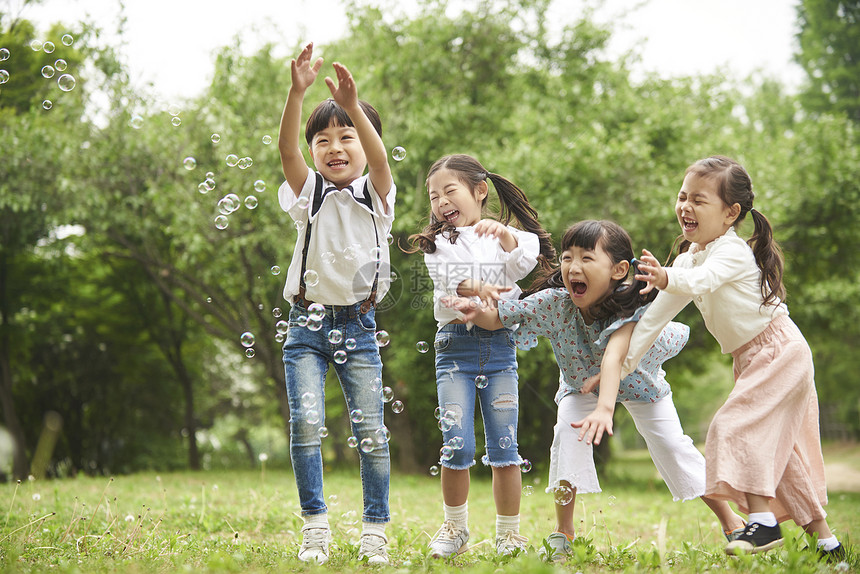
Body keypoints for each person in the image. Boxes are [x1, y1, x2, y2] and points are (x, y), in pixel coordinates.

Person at [451, 220, 745, 562]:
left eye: (587, 258)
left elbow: (614, 359)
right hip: (580, 385)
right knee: (566, 432)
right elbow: (501, 316)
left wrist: (605, 408)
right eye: (567, 257)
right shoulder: (556, 305)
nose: (573, 267)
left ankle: (731, 521)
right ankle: (563, 531)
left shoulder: (635, 305)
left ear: (619, 269)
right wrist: (476, 312)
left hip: (640, 383)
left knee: (671, 445)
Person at [623, 156, 844, 560]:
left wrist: (665, 276)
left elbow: (701, 281)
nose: (685, 206)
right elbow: (655, 317)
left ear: (731, 213)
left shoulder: (732, 252)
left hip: (779, 350)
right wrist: (621, 367)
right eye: (682, 196)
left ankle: (761, 523)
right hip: (751, 358)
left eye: (699, 200)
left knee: (732, 425)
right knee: (786, 457)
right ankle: (829, 544)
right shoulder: (689, 259)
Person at [276, 42, 396, 565]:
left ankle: (374, 529)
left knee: (371, 432)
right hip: (306, 325)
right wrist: (297, 93)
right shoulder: (310, 194)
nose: (335, 146)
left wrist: (353, 101)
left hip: (361, 327)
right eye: (323, 139)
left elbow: (382, 158)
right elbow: (286, 154)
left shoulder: (377, 195)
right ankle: (315, 528)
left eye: (347, 135)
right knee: (305, 426)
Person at [407, 154, 555, 557]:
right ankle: (454, 529)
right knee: (456, 444)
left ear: (479, 190)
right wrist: (480, 288)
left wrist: (506, 238)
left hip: (501, 349)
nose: (440, 202)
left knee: (505, 445)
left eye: (448, 191)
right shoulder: (436, 243)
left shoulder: (511, 234)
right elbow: (449, 281)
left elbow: (524, 263)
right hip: (454, 349)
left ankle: (509, 534)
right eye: (433, 196)